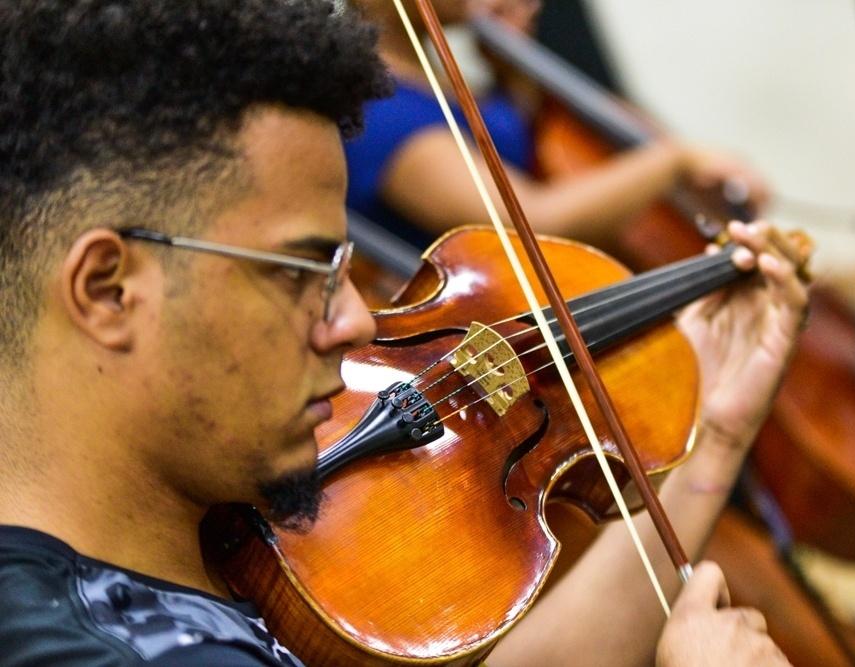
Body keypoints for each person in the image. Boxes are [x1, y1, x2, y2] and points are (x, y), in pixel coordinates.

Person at [0, 1, 803, 665]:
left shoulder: (176, 537)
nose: (357, 319)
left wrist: (719, 435)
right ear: (108, 290)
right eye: (301, 269)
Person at [345, 0, 770, 251]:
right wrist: (670, 159)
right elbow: (534, 220)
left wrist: (514, 73)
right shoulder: (378, 112)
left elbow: (523, 147)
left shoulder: (434, 74)